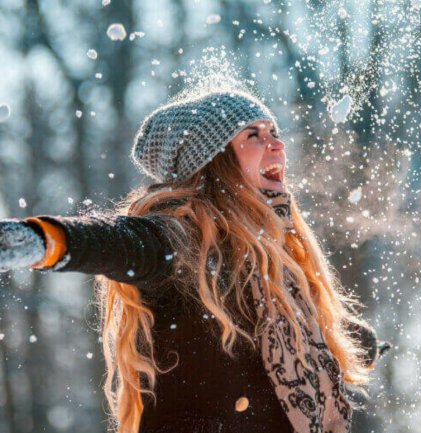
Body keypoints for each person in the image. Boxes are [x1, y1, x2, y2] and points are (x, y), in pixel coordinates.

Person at [0, 86, 390, 433]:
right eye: (253, 135)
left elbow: (277, 335)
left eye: (275, 133)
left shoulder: (276, 256)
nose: (276, 145)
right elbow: (115, 241)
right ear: (214, 160)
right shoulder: (184, 239)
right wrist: (41, 240)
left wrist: (344, 340)